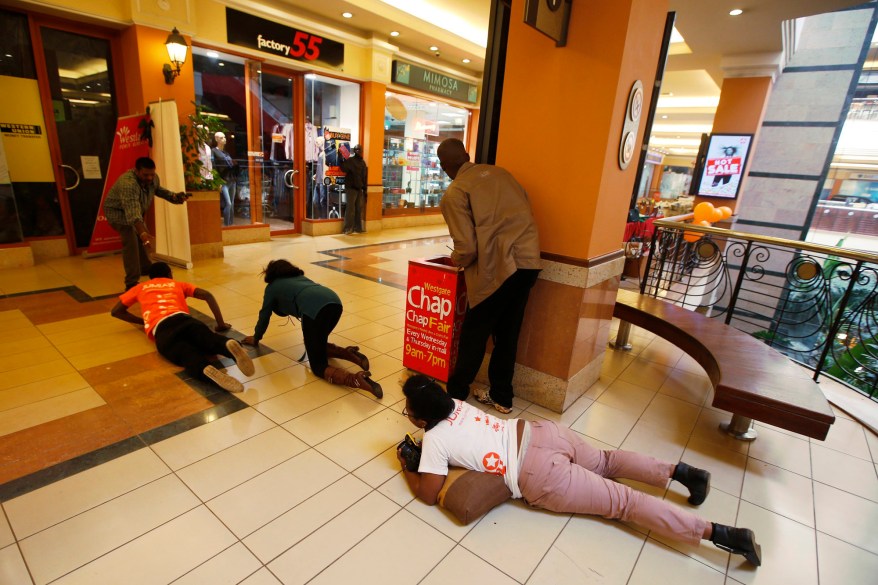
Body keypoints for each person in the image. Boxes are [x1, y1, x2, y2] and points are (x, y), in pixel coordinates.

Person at [397, 375, 762, 567]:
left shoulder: (435, 440)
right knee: (606, 461)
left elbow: (429, 495)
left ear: (422, 418)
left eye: (408, 411)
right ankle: (684, 473)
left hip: (538, 473)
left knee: (624, 503)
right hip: (543, 431)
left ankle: (724, 534)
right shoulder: (458, 403)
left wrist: (408, 468)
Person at [437, 138, 542, 414]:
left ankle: (456, 396)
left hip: (496, 269)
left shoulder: (455, 192)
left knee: (474, 334)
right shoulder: (501, 173)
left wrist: (456, 260)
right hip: (529, 262)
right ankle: (502, 398)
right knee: (508, 334)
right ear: (468, 155)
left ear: (443, 166)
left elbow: (467, 248)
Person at [241, 259, 383, 398]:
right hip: (335, 303)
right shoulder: (300, 277)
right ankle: (350, 355)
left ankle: (356, 379)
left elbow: (264, 314)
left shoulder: (272, 287)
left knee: (318, 366)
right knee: (316, 343)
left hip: (314, 311)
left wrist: (256, 337)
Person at [110, 262, 255, 393]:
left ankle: (205, 370)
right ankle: (228, 345)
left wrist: (144, 322)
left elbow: (116, 311)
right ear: (169, 275)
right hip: (185, 320)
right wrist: (221, 324)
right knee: (208, 339)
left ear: (150, 277)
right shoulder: (177, 284)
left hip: (162, 329)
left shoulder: (140, 287)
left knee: (186, 355)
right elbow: (207, 295)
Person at [104, 157, 188, 291]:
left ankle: (145, 268)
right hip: (118, 214)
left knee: (143, 240)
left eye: (152, 174)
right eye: (146, 175)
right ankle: (131, 282)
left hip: (135, 212)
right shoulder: (128, 184)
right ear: (136, 171)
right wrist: (142, 232)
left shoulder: (153, 178)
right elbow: (132, 213)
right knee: (131, 241)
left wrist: (174, 197)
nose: (150, 178)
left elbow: (157, 189)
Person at [212, 132, 238, 226]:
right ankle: (227, 225)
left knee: (232, 204)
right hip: (223, 181)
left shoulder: (226, 153)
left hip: (232, 180)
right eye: (222, 138)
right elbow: (214, 167)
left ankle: (231, 224)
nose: (224, 139)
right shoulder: (214, 151)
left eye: (224, 137)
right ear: (217, 139)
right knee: (228, 203)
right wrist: (217, 181)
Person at [340, 144, 367, 234]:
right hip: (351, 188)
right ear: (354, 151)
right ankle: (348, 228)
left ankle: (358, 228)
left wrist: (364, 189)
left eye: (359, 150)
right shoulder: (351, 161)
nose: (358, 151)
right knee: (350, 209)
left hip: (359, 188)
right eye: (357, 150)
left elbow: (364, 177)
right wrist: (341, 158)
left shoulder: (362, 163)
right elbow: (343, 168)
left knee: (358, 209)